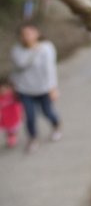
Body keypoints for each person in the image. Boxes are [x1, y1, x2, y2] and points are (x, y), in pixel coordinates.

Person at [10, 24, 61, 152]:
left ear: (37, 33)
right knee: (29, 116)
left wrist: (53, 88)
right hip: (25, 89)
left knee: (47, 112)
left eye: (30, 33)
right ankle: (33, 138)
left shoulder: (47, 47)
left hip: (44, 88)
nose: (27, 36)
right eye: (24, 34)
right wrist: (33, 50)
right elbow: (20, 66)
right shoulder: (17, 50)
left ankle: (56, 126)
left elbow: (50, 69)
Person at [0, 75, 22, 148]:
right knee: (7, 130)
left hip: (14, 116)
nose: (2, 91)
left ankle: (13, 136)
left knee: (13, 129)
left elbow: (19, 103)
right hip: (4, 118)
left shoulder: (13, 95)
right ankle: (10, 137)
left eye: (4, 89)